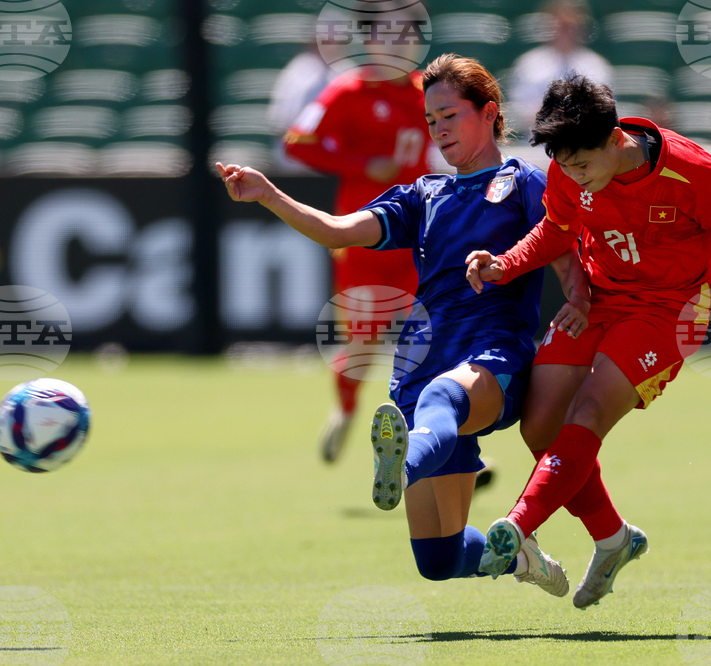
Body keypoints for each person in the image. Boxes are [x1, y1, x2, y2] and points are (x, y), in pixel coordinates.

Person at [218, 54, 590, 593]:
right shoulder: (423, 195)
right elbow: (339, 231)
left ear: (489, 113)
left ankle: (402, 461)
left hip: (493, 354)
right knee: (437, 558)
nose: (438, 130)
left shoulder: (525, 183)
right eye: (431, 120)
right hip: (422, 363)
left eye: (449, 115)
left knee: (442, 400)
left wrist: (578, 297)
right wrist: (269, 194)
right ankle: (521, 560)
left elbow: (564, 256)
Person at [465, 74, 711, 609]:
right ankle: (614, 539)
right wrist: (506, 264)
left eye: (582, 165)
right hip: (596, 302)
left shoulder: (695, 172)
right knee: (540, 427)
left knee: (587, 411)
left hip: (665, 314)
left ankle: (517, 527)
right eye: (564, 165)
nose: (573, 176)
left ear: (615, 141)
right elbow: (557, 230)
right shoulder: (570, 168)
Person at [282, 69, 428, 464]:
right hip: (362, 236)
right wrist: (362, 163)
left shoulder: (429, 90)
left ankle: (442, 444)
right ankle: (346, 408)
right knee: (364, 343)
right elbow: (297, 142)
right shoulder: (348, 90)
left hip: (420, 235)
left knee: (431, 343)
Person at [507, 0, 612, 137]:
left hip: (584, 144)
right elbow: (519, 109)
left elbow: (604, 110)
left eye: (570, 25)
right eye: (560, 25)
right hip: (539, 145)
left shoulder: (597, 65)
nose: (565, 31)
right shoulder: (528, 64)